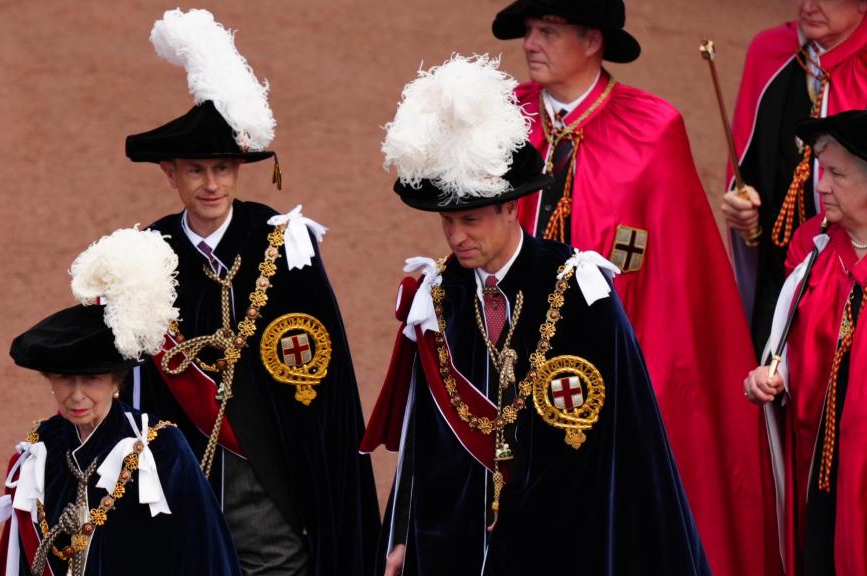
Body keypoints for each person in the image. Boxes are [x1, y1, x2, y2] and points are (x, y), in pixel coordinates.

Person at [362, 54, 709, 576]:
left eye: (472, 220)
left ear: (511, 208)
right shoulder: (437, 293)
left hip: (561, 541)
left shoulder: (579, 290)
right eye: (448, 221)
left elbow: (624, 445)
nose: (457, 237)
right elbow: (422, 438)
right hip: (455, 543)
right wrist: (403, 535)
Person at [489, 2, 777, 574]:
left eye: (547, 31)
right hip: (514, 361)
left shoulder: (653, 129)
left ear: (592, 40)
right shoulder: (505, 118)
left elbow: (680, 280)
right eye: (528, 31)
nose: (530, 43)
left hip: (614, 364)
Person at [123, 9, 378, 576]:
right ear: (170, 174)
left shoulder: (283, 245)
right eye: (195, 170)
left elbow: (321, 373)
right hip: (178, 472)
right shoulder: (148, 252)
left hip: (262, 473)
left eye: (222, 168)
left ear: (240, 169)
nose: (211, 184)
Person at [0, 228, 240, 576]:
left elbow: (204, 555)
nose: (76, 396)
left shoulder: (161, 449)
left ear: (116, 382)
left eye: (91, 380)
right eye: (64, 380)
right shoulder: (38, 453)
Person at [744, 110, 867, 576]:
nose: (822, 185)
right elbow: (792, 340)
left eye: (837, 173)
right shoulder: (813, 248)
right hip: (820, 461)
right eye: (822, 169)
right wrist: (769, 377)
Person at [724, 0, 867, 356]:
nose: (809, 5)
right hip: (779, 266)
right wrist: (744, 208)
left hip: (852, 274)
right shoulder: (770, 52)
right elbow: (748, 160)